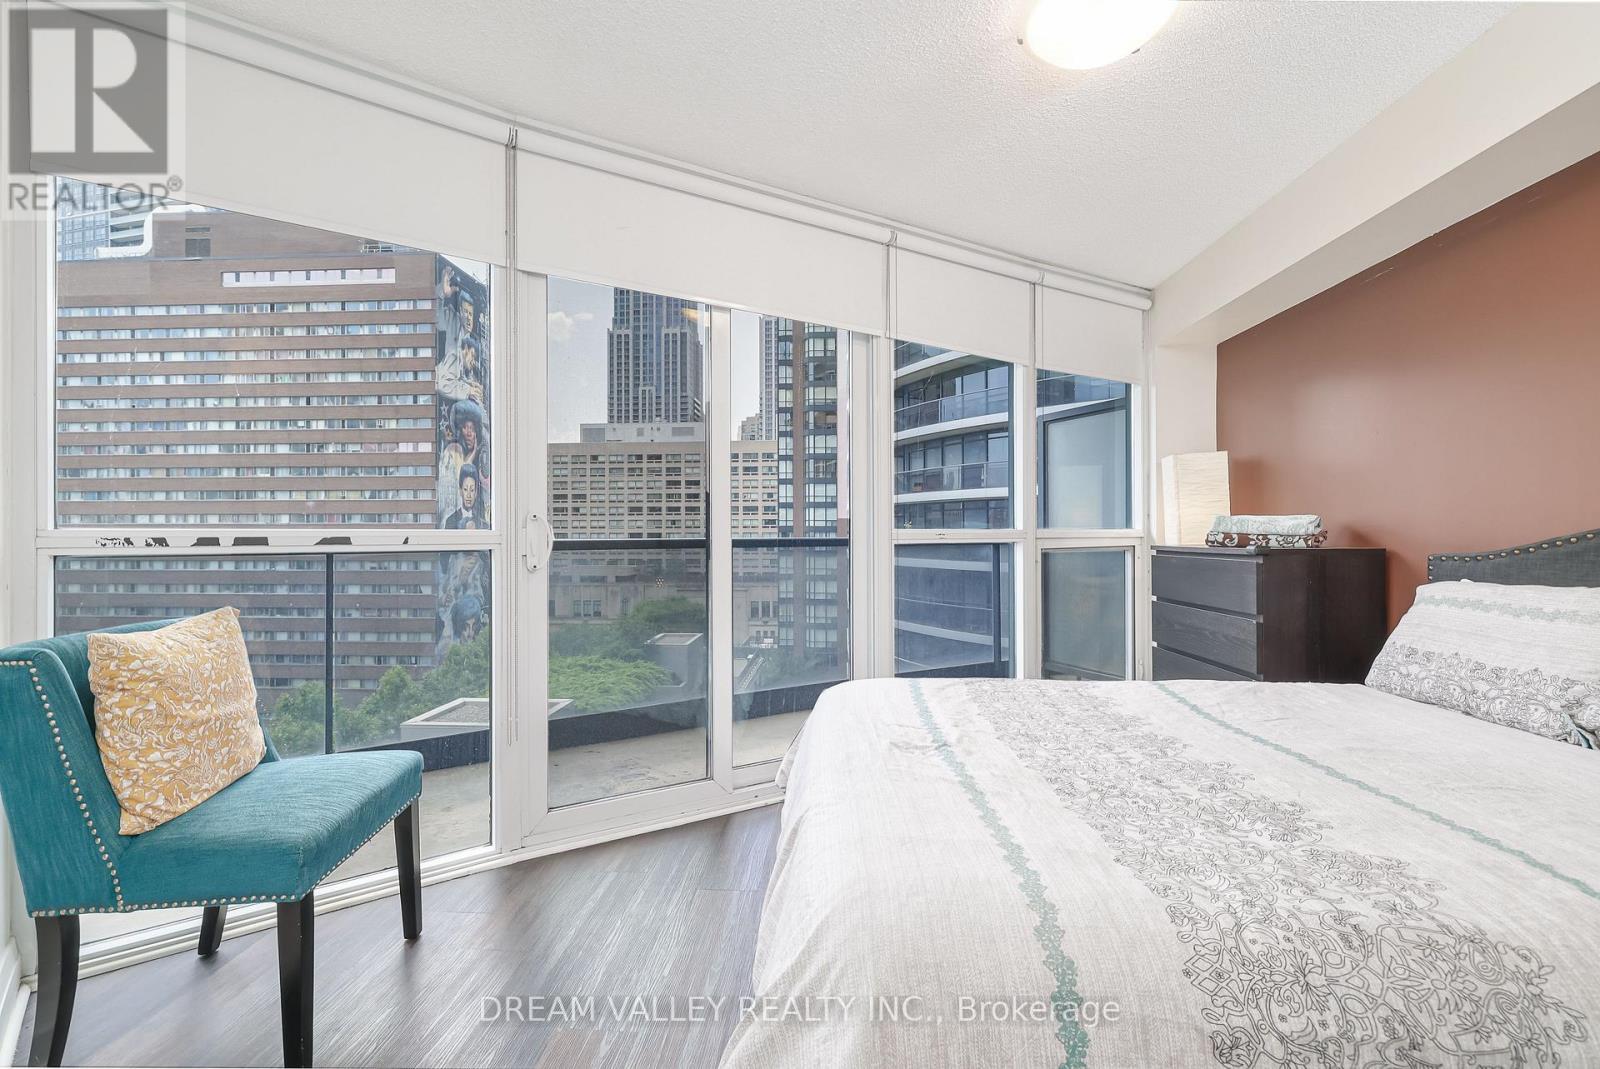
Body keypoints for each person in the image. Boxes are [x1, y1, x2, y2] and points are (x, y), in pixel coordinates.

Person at [443, 464, 485, 530]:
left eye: (472, 490)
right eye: (465, 489)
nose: (468, 495)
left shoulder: (481, 523)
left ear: (476, 492)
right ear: (460, 491)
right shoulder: (450, 521)